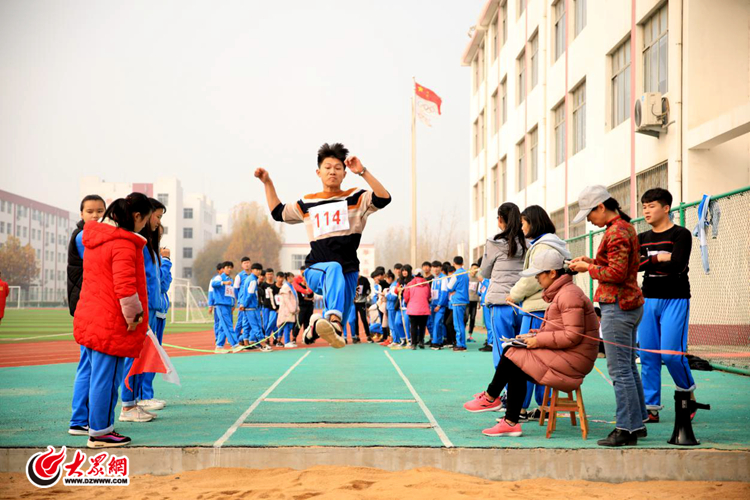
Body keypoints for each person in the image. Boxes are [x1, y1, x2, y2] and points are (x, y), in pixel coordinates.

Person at [256, 142, 391, 348]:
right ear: (318, 172)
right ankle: (332, 319)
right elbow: (278, 212)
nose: (333, 172)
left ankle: (313, 328)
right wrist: (267, 182)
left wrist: (362, 171)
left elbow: (384, 198)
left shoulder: (356, 197)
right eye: (328, 168)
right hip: (317, 268)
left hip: (349, 271)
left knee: (338, 327)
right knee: (333, 273)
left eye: (338, 168)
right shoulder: (308, 202)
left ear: (345, 173)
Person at [464, 250, 599, 438]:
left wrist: (537, 340)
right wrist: (533, 334)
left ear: (552, 273)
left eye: (539, 274)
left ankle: (491, 398)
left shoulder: (569, 295)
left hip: (575, 359)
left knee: (513, 355)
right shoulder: (561, 293)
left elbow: (572, 336)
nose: (536, 278)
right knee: (514, 354)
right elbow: (559, 330)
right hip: (568, 353)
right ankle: (508, 420)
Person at [569, 185, 647, 447]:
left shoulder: (617, 232)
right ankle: (637, 423)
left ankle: (625, 428)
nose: (589, 220)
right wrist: (591, 261)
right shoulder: (622, 228)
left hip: (618, 305)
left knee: (620, 369)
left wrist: (587, 268)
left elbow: (615, 274)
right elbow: (618, 266)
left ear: (601, 207)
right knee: (628, 367)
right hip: (629, 304)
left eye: (590, 214)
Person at [73, 192, 153, 448]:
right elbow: (126, 286)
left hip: (93, 315)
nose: (144, 228)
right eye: (144, 221)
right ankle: (100, 432)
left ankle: (94, 426)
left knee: (97, 375)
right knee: (107, 379)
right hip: (111, 320)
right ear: (136, 216)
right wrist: (135, 317)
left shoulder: (95, 239)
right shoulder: (122, 243)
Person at [637, 188, 697, 423]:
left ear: (665, 208)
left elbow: (679, 265)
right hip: (648, 298)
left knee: (671, 355)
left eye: (651, 206)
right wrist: (659, 258)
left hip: (676, 298)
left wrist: (650, 262)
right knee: (648, 354)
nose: (646, 211)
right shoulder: (641, 238)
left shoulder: (681, 235)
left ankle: (686, 393)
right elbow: (635, 265)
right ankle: (650, 408)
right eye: (644, 207)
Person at [506, 205, 571, 420]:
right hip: (540, 307)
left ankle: (521, 407)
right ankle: (542, 406)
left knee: (528, 359)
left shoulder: (544, 247)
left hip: (538, 309)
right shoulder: (547, 244)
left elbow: (532, 280)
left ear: (533, 223)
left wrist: (514, 294)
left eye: (524, 223)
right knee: (540, 359)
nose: (522, 227)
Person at [120, 197, 169, 422]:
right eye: (157, 216)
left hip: (153, 307)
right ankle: (130, 403)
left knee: (145, 356)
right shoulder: (137, 245)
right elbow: (142, 281)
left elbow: (158, 281)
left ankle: (136, 401)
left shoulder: (149, 247)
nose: (158, 222)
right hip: (143, 308)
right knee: (133, 358)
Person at [67, 194, 106, 436]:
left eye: (100, 211)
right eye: (90, 211)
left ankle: (81, 419)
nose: (95, 215)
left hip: (88, 306)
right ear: (81, 214)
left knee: (89, 365)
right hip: (88, 308)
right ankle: (80, 419)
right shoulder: (84, 237)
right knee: (89, 366)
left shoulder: (90, 235)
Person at [480, 203, 527, 368]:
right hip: (523, 303)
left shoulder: (494, 242)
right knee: (523, 350)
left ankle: (507, 391)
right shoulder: (527, 241)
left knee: (502, 350)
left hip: (501, 302)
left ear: (500, 219)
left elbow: (485, 272)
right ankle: (522, 393)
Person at [137, 221, 172, 409]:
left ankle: (146, 393)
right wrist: (166, 262)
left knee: (153, 354)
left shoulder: (155, 255)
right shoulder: (148, 254)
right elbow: (161, 284)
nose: (159, 239)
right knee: (146, 354)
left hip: (159, 311)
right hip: (151, 309)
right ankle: (142, 395)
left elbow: (164, 284)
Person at [211, 261, 241, 354]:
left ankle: (219, 346)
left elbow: (230, 293)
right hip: (221, 305)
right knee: (228, 325)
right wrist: (223, 282)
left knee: (222, 327)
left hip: (228, 305)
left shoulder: (230, 280)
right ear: (223, 269)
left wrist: (233, 305)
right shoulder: (219, 277)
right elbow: (213, 284)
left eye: (230, 267)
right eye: (227, 267)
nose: (229, 269)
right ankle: (235, 345)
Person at [239, 263, 269, 351]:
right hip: (251, 307)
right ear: (252, 270)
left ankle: (246, 344)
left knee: (246, 326)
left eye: (259, 270)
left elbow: (243, 293)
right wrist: (244, 304)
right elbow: (250, 294)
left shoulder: (248, 279)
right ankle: (263, 345)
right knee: (257, 326)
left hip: (247, 307)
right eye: (257, 269)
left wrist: (242, 304)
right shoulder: (252, 280)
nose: (258, 271)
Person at [403, 264, 431, 350]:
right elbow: (428, 295)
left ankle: (413, 343)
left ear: (414, 275)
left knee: (413, 326)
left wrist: (409, 302)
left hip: (413, 309)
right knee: (422, 326)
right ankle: (421, 341)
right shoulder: (426, 284)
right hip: (424, 308)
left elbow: (406, 297)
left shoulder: (410, 284)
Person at [447, 256, 470, 351]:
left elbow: (449, 287)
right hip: (464, 300)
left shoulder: (456, 274)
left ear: (454, 263)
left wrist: (453, 290)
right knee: (460, 323)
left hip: (458, 301)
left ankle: (460, 344)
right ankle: (461, 343)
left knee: (458, 323)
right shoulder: (465, 273)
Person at [292, 266, 315, 341]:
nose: (305, 279)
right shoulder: (299, 287)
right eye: (304, 277)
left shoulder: (310, 286)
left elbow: (312, 296)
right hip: (302, 307)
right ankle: (294, 337)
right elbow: (302, 298)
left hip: (310, 306)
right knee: (299, 322)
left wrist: (307, 286)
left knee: (307, 322)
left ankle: (306, 337)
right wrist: (309, 298)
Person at [233, 257, 252, 342]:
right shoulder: (239, 276)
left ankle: (246, 339)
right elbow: (235, 289)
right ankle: (234, 339)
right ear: (242, 265)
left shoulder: (252, 275)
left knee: (250, 321)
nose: (247, 264)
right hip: (242, 302)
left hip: (251, 302)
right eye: (245, 263)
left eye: (248, 262)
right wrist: (240, 299)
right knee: (240, 321)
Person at [278, 273, 300, 348]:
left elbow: (295, 298)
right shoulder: (285, 287)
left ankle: (288, 341)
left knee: (290, 326)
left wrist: (297, 308)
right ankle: (286, 342)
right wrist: (292, 309)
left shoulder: (291, 286)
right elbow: (286, 300)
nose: (293, 279)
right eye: (291, 277)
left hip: (292, 310)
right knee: (286, 326)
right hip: (287, 310)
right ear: (287, 278)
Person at [429, 261, 446, 349]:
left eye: (437, 267)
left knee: (437, 323)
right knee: (434, 323)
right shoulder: (434, 279)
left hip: (440, 306)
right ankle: (438, 341)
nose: (435, 269)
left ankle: (436, 342)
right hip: (433, 305)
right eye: (434, 267)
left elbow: (444, 293)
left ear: (440, 268)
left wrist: (439, 305)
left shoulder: (444, 278)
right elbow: (432, 293)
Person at [354, 274, 372, 343]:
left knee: (364, 319)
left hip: (362, 302)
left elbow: (369, 289)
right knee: (355, 319)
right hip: (353, 303)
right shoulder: (351, 278)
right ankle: (357, 336)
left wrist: (365, 293)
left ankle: (368, 336)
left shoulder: (364, 279)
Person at [467, 263, 481, 342]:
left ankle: (470, 335)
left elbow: (478, 291)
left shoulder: (477, 279)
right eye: (474, 268)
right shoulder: (467, 278)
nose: (475, 270)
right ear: (470, 269)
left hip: (474, 300)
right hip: (467, 301)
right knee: (465, 317)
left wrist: (479, 301)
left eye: (476, 269)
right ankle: (463, 334)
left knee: (472, 318)